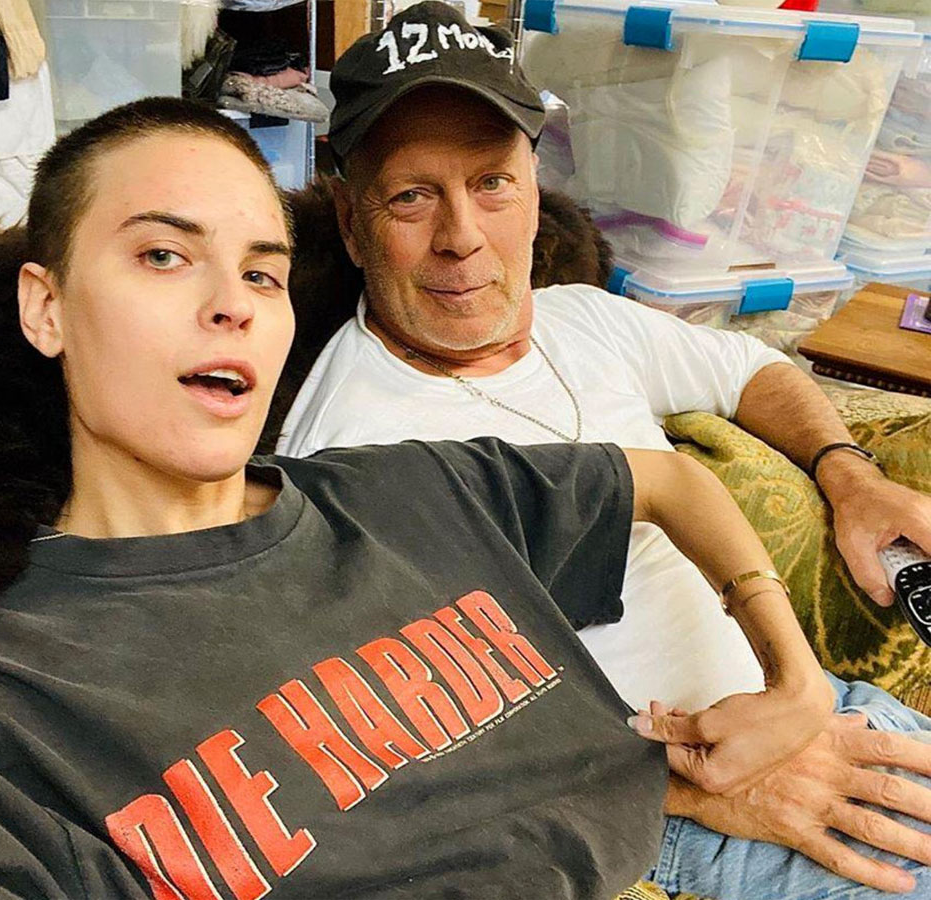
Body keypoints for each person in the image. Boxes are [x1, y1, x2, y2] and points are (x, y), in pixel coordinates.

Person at [0, 97, 834, 900]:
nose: (234, 305)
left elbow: (669, 478)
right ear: (47, 307)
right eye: (165, 256)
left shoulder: (403, 485)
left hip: (806, 766)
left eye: (262, 271)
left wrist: (793, 680)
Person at [277, 3, 931, 897]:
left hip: (819, 707)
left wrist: (848, 476)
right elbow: (396, 754)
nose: (462, 235)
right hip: (684, 800)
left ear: (533, 190)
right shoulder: (346, 450)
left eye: (492, 183)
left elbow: (752, 370)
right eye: (411, 197)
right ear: (353, 226)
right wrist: (702, 792)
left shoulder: (583, 317)